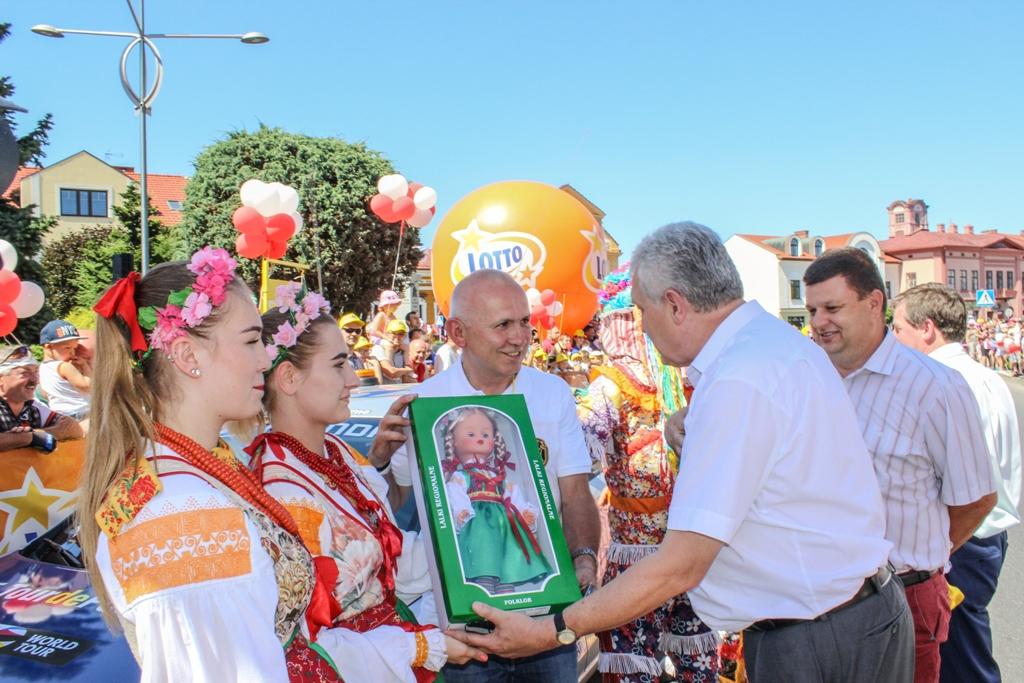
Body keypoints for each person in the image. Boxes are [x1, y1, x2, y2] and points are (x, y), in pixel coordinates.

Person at [451, 223, 908, 683]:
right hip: (848, 616)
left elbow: (680, 566)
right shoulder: (771, 346)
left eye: (642, 311)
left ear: (674, 304)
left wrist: (552, 630)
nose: (642, 328)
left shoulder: (738, 378)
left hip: (816, 637)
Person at [79, 247, 356, 681]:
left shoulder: (196, 468)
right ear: (188, 356)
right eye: (250, 341)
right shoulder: (183, 513)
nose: (266, 359)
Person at [248, 283, 483, 681]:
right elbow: (307, 642)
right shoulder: (282, 490)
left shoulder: (338, 453)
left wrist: (479, 539)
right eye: (338, 364)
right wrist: (423, 645)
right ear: (288, 377)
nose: (353, 380)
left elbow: (390, 560)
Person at [391, 269, 601, 683]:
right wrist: (380, 461)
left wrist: (584, 557)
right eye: (502, 325)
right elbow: (396, 505)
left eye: (524, 322)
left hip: (545, 620)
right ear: (458, 332)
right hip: (462, 631)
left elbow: (576, 492)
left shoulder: (552, 393)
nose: (519, 337)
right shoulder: (423, 404)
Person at [804, 248, 995, 683]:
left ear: (874, 303)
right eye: (813, 310)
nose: (819, 321)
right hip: (821, 600)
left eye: (832, 307)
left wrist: (921, 557)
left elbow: (977, 498)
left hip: (905, 597)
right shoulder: (810, 378)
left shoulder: (935, 387)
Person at [578, 264, 719, 682]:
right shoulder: (690, 380)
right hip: (689, 547)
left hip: (647, 559)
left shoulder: (614, 383)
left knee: (638, 655)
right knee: (692, 656)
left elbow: (582, 436)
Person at [889, 283, 1022, 683]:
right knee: (961, 651)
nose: (893, 339)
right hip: (982, 537)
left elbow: (971, 488)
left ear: (927, 329)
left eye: (898, 328)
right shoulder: (983, 377)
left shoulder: (947, 381)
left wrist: (936, 548)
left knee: (962, 659)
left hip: (964, 539)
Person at [442, 406, 550, 593]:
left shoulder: (499, 476)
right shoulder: (461, 476)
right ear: (455, 442)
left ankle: (506, 597)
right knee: (483, 559)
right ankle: (484, 593)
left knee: (506, 562)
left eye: (485, 435)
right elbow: (456, 494)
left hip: (504, 525)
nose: (480, 438)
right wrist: (462, 511)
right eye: (471, 434)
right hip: (478, 526)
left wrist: (524, 512)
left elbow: (512, 495)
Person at [0, 345, 84, 451]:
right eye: (25, 373)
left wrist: (37, 435)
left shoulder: (33, 406)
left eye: (36, 372)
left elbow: (73, 428)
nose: (35, 380)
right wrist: (29, 438)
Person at [38, 319, 91, 420]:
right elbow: (87, 386)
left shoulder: (42, 368)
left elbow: (44, 394)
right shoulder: (64, 366)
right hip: (80, 413)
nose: (72, 352)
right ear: (48, 347)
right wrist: (85, 366)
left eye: (74, 348)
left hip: (60, 415)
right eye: (67, 348)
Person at [373, 320, 416, 384]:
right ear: (387, 334)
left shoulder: (403, 350)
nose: (397, 336)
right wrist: (408, 370)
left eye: (401, 334)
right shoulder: (378, 348)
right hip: (383, 389)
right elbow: (391, 373)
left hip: (399, 388)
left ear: (405, 336)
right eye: (393, 333)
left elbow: (406, 379)